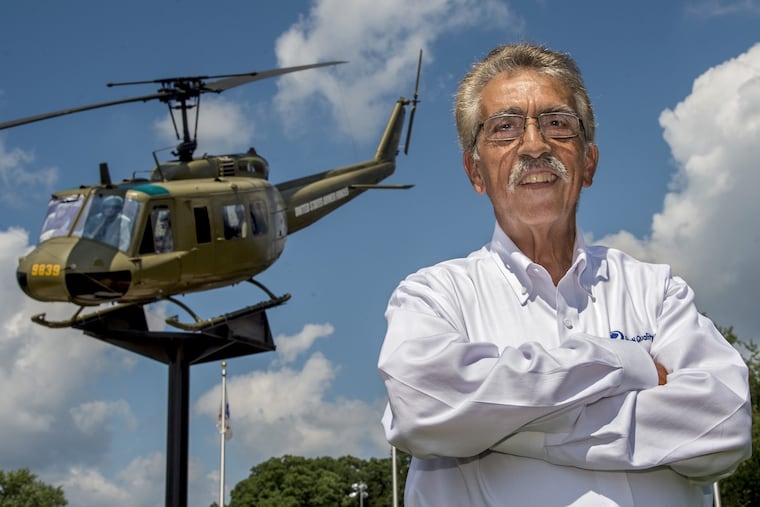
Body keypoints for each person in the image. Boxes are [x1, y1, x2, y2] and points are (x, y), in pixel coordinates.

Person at [378, 43, 751, 507]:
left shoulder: (657, 290)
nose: (534, 145)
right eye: (504, 128)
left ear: (588, 162)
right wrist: (625, 364)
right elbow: (423, 406)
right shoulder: (433, 296)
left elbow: (725, 424)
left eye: (557, 123)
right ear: (475, 171)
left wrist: (493, 425)